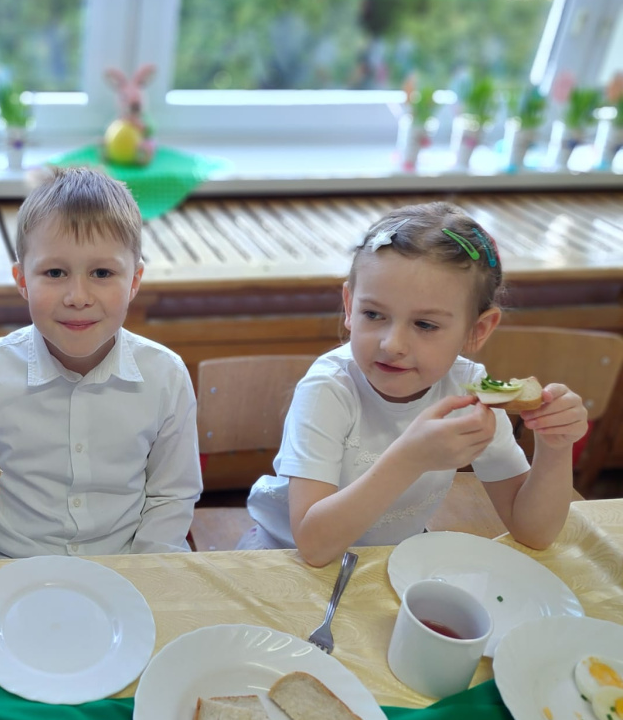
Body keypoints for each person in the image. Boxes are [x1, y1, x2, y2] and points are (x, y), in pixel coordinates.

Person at [238, 201, 588, 565]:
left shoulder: (468, 387)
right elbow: (313, 547)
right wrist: (410, 458)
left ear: (478, 329)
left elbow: (534, 532)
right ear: (349, 306)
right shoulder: (329, 389)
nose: (393, 345)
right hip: (287, 559)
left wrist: (555, 446)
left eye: (425, 325)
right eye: (373, 314)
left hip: (389, 560)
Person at [0, 166, 201, 560]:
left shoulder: (166, 377)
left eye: (102, 273)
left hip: (124, 564)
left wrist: (146, 575)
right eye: (55, 272)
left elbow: (171, 495)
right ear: (22, 280)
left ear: (134, 280)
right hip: (8, 566)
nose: (77, 297)